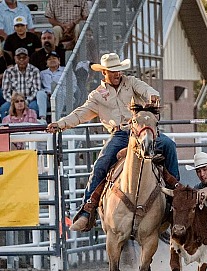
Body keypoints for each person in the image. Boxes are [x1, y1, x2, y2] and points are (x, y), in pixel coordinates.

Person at [46, 52, 180, 232]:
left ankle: (176, 199)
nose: (118, 74)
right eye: (113, 71)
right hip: (119, 135)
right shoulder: (97, 96)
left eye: (119, 70)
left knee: (169, 145)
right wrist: (61, 124)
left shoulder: (131, 82)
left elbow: (148, 91)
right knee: (101, 163)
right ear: (104, 73)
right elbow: (81, 114)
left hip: (140, 129)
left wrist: (153, 97)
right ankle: (88, 210)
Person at [0, 48, 42, 120]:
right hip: (13, 100)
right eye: (19, 57)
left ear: (28, 58)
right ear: (15, 58)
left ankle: (34, 128)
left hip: (30, 100)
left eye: (24, 57)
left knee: (34, 107)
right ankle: (6, 129)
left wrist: (25, 102)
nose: (21, 60)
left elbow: (36, 90)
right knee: (4, 108)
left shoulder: (35, 70)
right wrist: (14, 103)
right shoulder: (8, 72)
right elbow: (5, 92)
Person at [37, 51, 75, 120]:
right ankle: (42, 118)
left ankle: (57, 119)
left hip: (64, 97)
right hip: (48, 99)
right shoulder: (42, 73)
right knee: (40, 93)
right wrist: (46, 93)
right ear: (46, 63)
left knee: (59, 93)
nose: (52, 60)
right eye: (49, 59)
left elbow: (73, 85)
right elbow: (39, 87)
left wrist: (66, 93)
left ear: (59, 61)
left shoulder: (66, 70)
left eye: (54, 58)